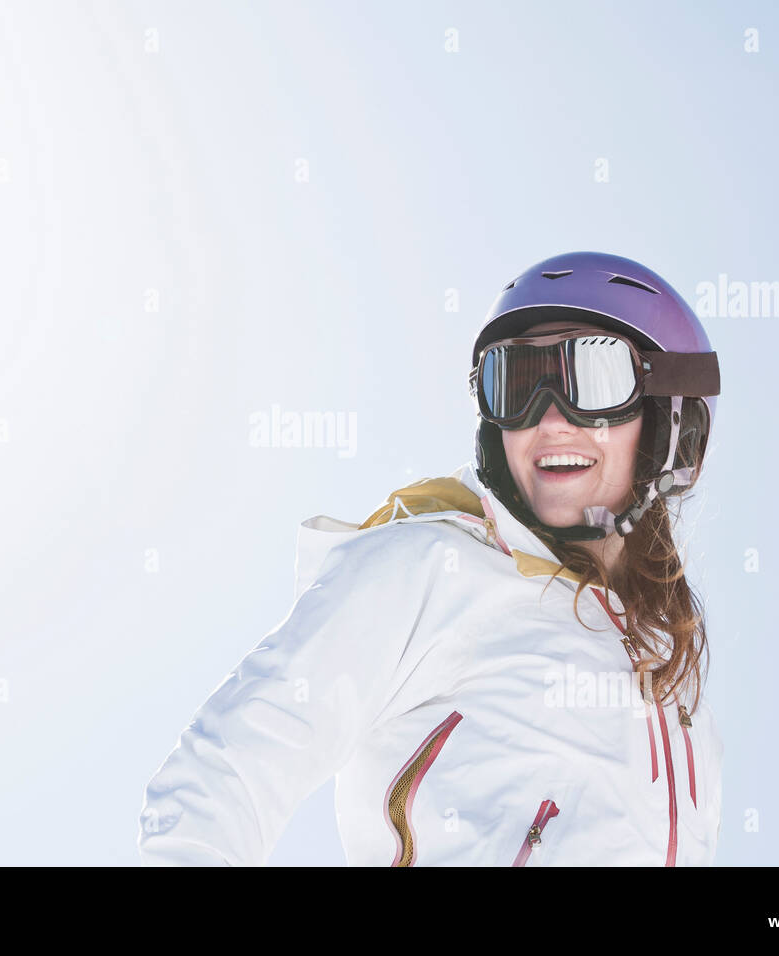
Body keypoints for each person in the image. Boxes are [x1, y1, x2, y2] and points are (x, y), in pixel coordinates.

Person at [137, 251, 723, 866]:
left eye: (593, 378)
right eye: (516, 382)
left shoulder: (676, 679)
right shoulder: (429, 566)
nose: (549, 417)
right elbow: (226, 770)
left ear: (669, 419)